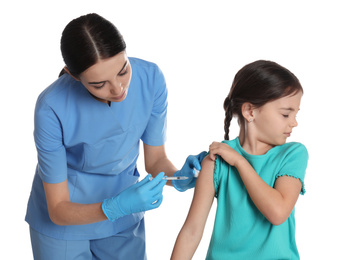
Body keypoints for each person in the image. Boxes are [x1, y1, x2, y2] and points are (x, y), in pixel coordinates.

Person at [25, 13, 206, 260]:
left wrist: (178, 178)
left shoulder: (150, 79)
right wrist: (115, 206)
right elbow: (58, 210)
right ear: (73, 75)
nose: (118, 89)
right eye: (99, 84)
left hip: (123, 218)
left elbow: (155, 162)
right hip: (64, 224)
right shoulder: (51, 107)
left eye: (123, 71)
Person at [171, 60, 309, 260]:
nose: (294, 122)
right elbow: (191, 232)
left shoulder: (293, 154)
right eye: (286, 114)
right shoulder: (216, 161)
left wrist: (240, 162)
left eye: (295, 114)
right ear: (250, 112)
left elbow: (277, 212)